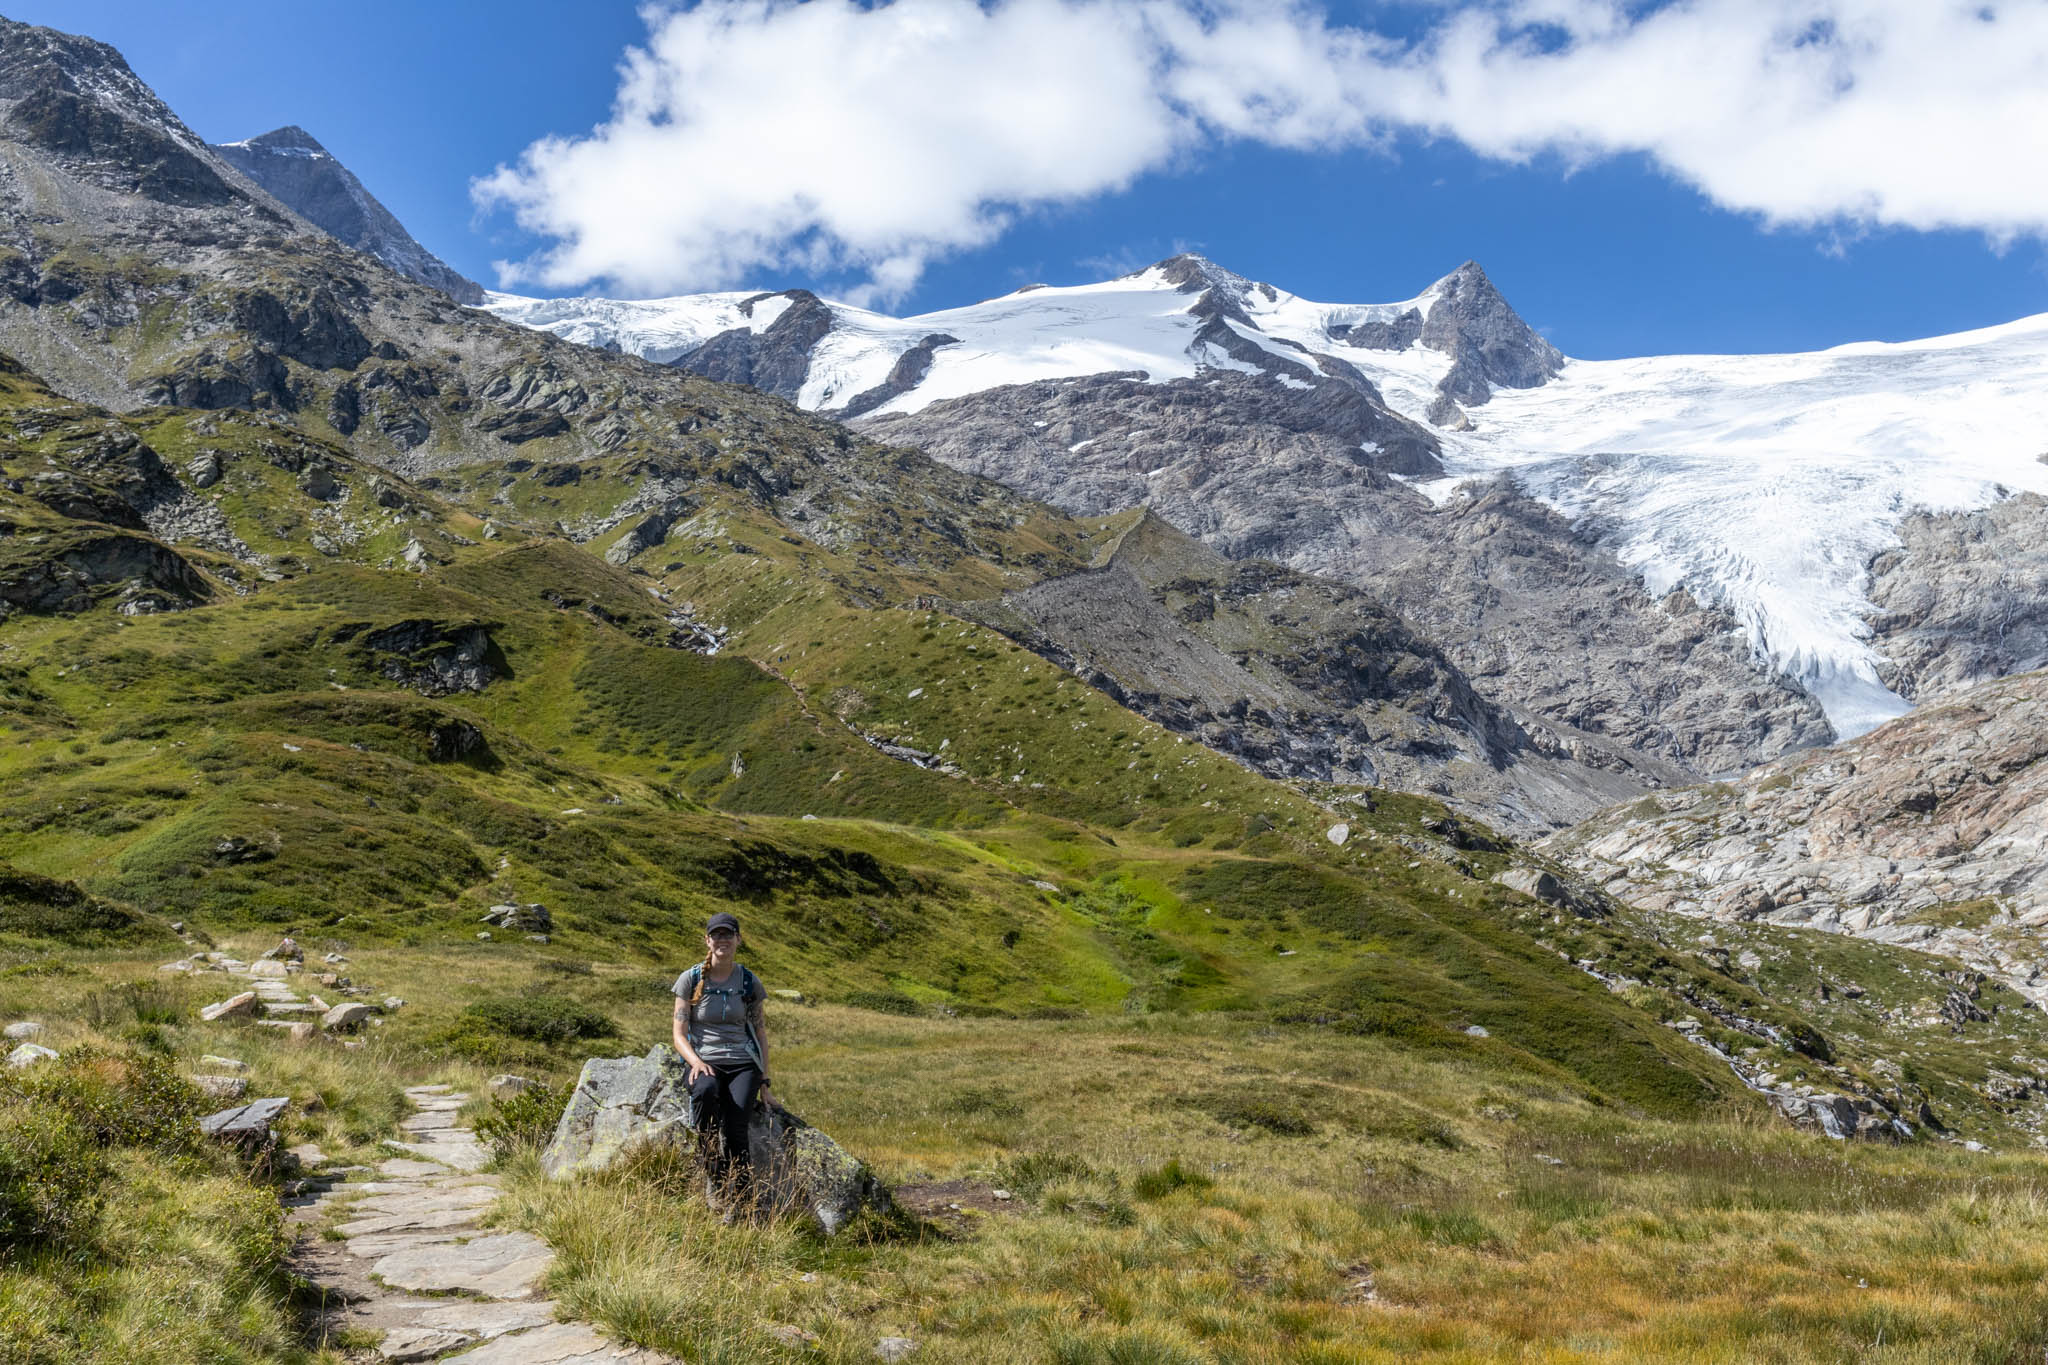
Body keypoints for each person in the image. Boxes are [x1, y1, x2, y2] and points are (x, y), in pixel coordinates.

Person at [671, 911, 771, 1218]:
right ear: (707, 940)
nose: (722, 940)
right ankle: (715, 1179)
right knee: (705, 1094)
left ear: (739, 939)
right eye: (716, 934)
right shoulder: (691, 979)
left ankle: (742, 1200)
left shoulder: (748, 981)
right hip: (704, 1060)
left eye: (728, 934)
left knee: (736, 1127)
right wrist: (696, 1061)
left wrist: (765, 1084)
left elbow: (760, 1033)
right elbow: (678, 1033)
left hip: (743, 1063)